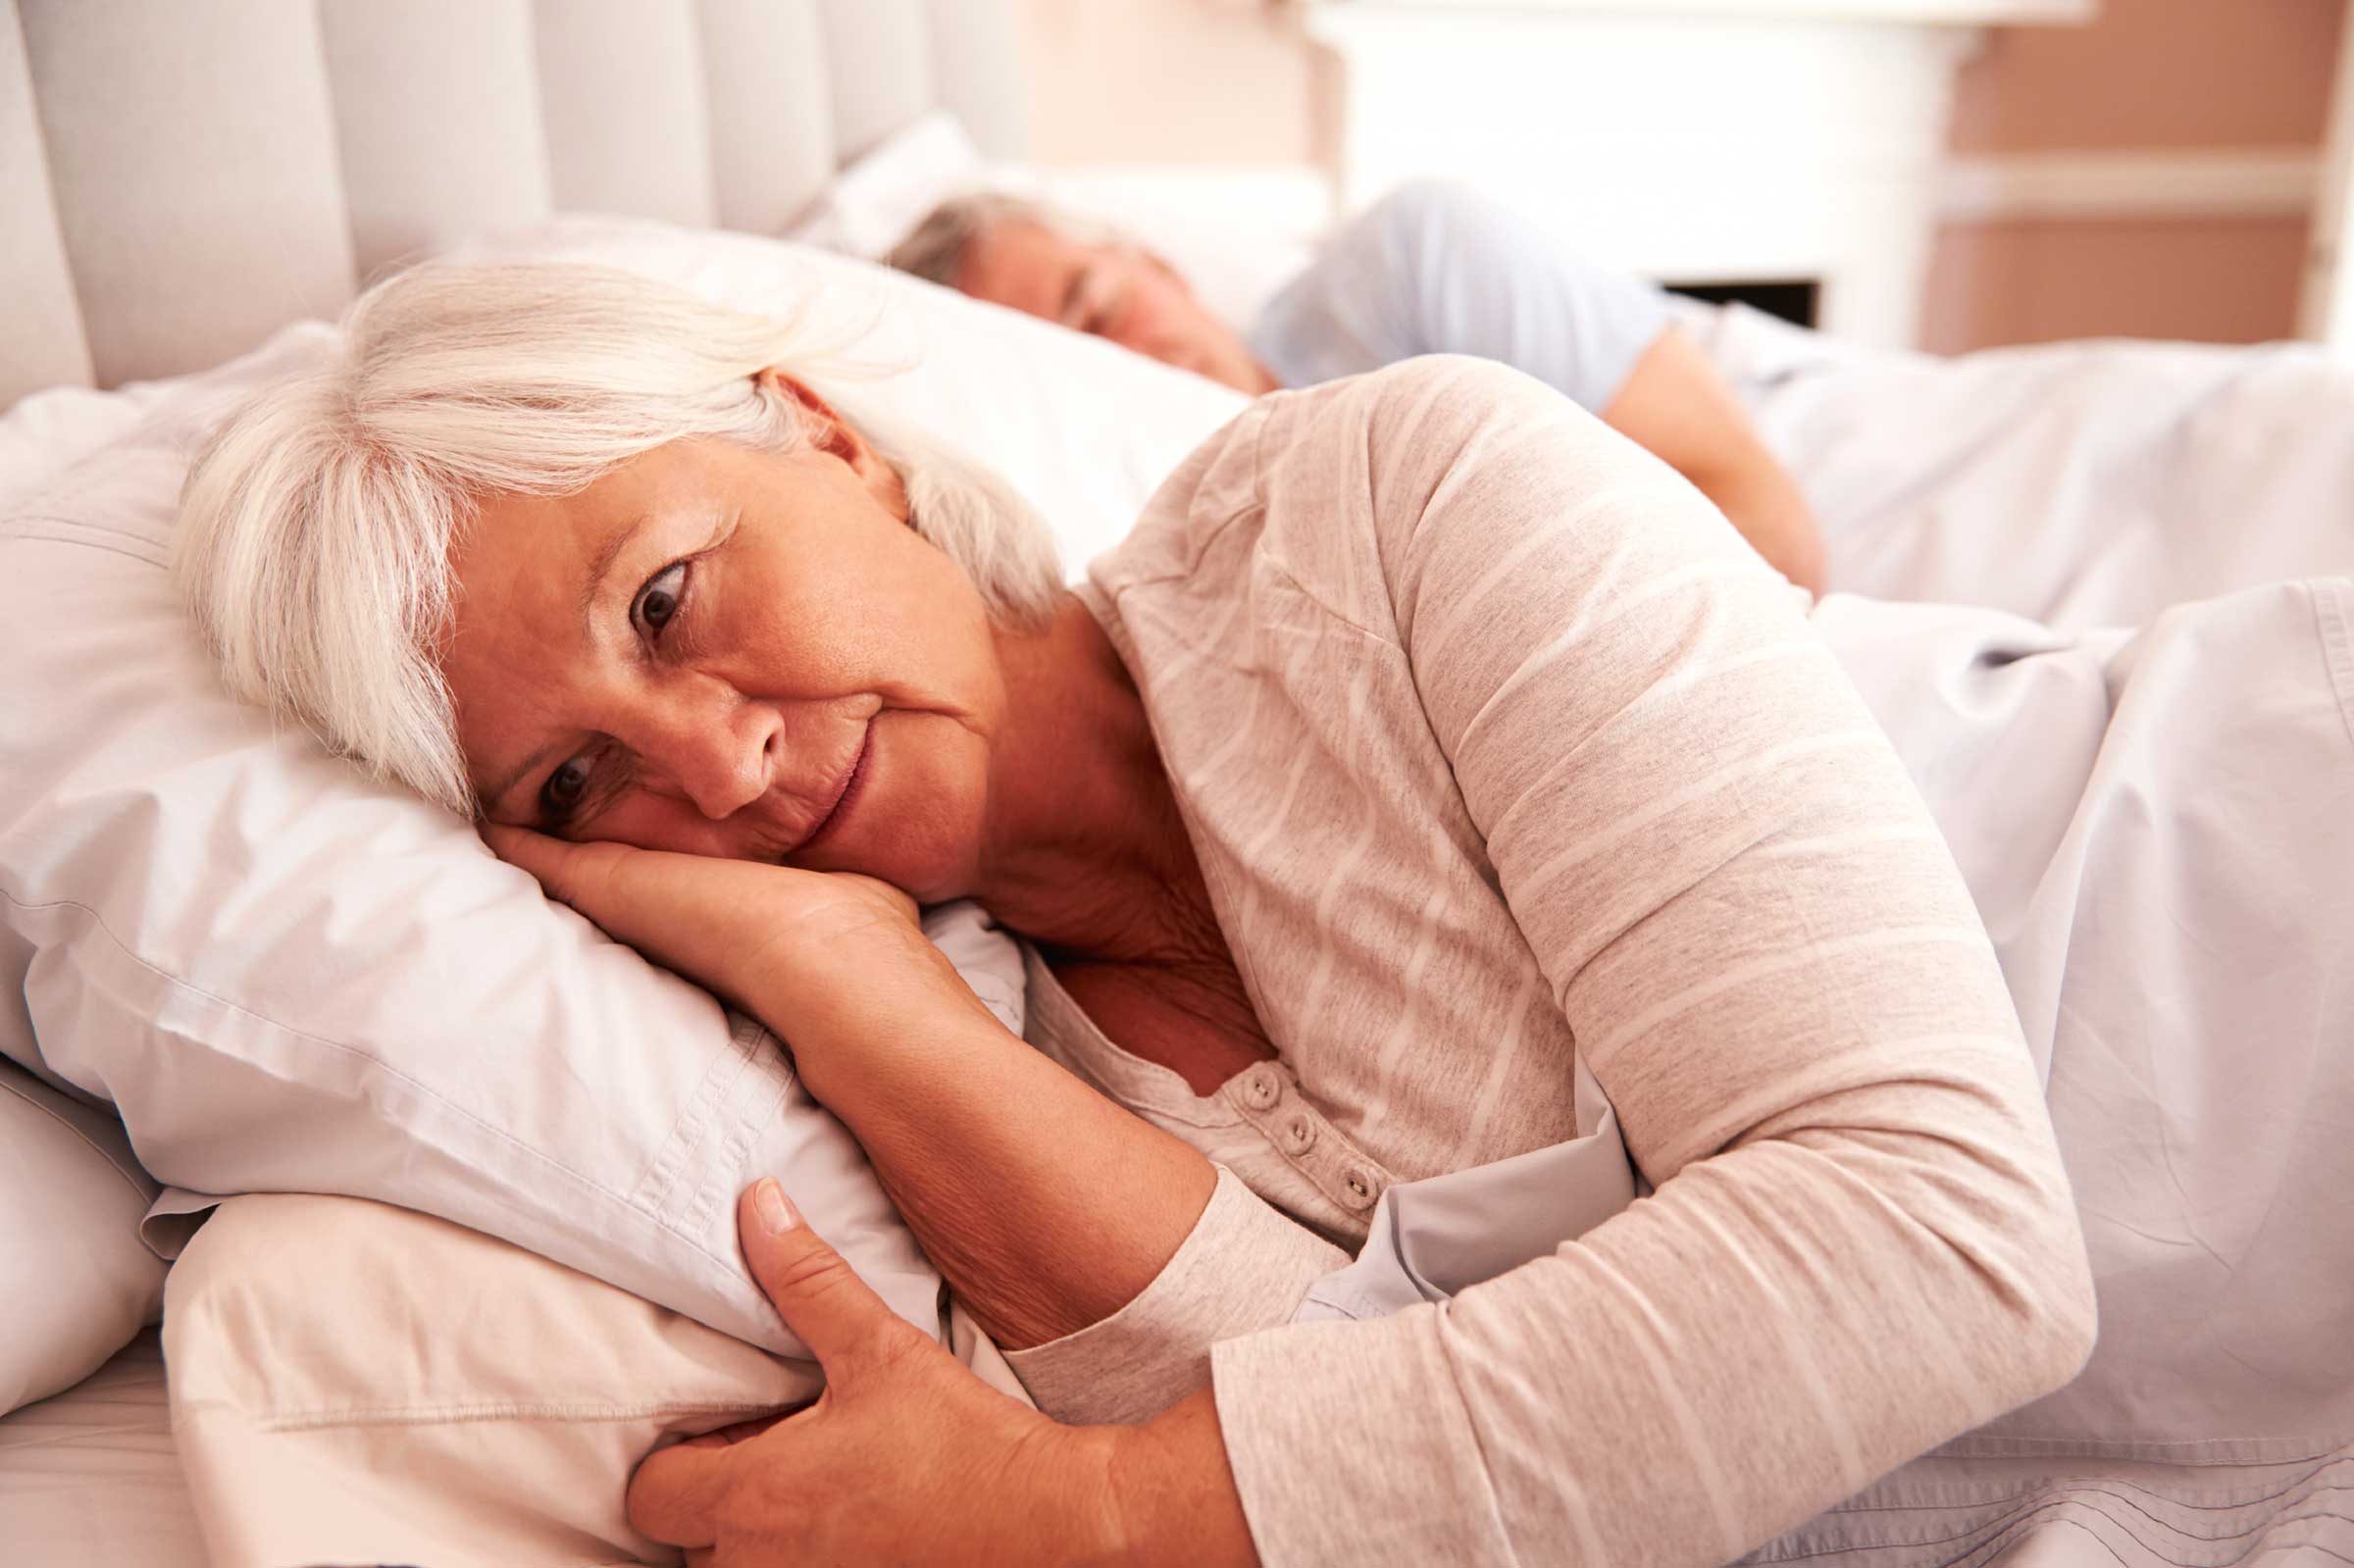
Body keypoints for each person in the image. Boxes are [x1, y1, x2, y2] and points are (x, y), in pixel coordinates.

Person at [173, 259, 2354, 1566]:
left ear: (825, 441)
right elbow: (1395, 1485)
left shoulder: (1388, 498)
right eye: (577, 784)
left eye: (665, 598)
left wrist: (1090, 1519)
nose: (713, 766)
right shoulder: (974, 1085)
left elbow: (1931, 1238)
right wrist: (861, 1004)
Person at [891, 179, 1829, 593]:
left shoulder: (1413, 264)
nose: (1124, 364)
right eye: (1076, 368)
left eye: (1099, 310)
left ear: (1155, 263)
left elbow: (1768, 531)